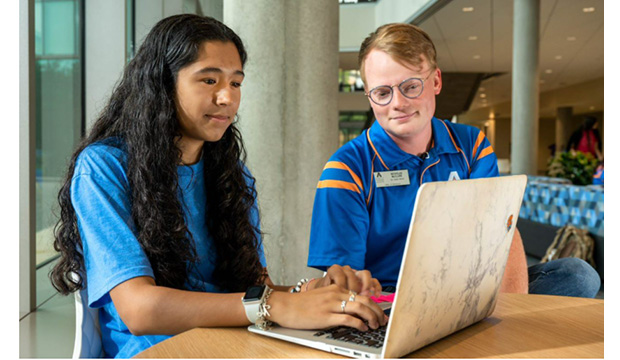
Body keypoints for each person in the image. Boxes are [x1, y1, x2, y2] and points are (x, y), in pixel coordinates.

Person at [50, 15, 387, 358]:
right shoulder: (104, 167)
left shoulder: (230, 172)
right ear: (162, 84)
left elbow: (256, 291)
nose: (227, 97)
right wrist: (277, 305)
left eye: (236, 83)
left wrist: (313, 292)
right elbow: (140, 310)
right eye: (209, 80)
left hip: (235, 345)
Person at [307, 23, 600, 298]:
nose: (397, 103)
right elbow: (345, 282)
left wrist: (509, 314)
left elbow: (501, 231)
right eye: (383, 93)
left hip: (469, 289)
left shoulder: (472, 146)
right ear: (371, 98)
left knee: (579, 275)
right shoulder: (346, 168)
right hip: (389, 301)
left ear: (436, 80)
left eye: (410, 86)